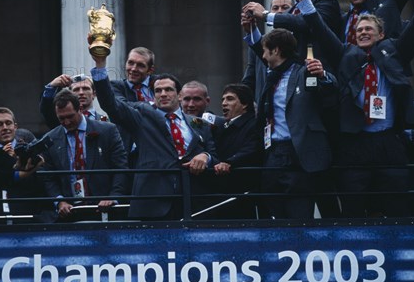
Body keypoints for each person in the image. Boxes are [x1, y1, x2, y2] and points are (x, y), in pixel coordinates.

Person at [296, 0, 414, 217]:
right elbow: (319, 28)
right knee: (354, 210)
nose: (362, 32)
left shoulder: (394, 51)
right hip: (355, 143)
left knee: (396, 209)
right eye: (359, 30)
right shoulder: (346, 55)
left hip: (389, 143)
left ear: (381, 34)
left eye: (368, 29)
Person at [91, 53, 217, 220]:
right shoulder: (142, 117)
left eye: (168, 90)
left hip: (193, 203)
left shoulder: (198, 123)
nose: (163, 94)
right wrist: (100, 64)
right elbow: (111, 104)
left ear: (179, 95)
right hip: (153, 203)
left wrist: (205, 156)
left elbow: (214, 156)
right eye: (158, 91)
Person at [257, 28, 337, 219]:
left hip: (299, 152)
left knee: (299, 212)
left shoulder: (304, 72)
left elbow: (330, 88)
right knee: (273, 211)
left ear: (275, 50)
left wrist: (323, 74)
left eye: (265, 50)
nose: (263, 56)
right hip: (273, 152)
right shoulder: (270, 77)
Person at [40, 89, 128, 221]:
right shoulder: (50, 139)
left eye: (70, 116)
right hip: (70, 211)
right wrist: (59, 201)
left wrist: (113, 197)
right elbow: (49, 177)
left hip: (105, 209)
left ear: (80, 108)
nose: (67, 122)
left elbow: (121, 167)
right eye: (61, 118)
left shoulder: (107, 131)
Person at [242, 0, 342, 66]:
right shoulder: (290, 13)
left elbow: (307, 22)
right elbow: (275, 56)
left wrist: (266, 15)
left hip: (319, 78)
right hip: (293, 79)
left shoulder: (327, 1)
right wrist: (252, 31)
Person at [0, 107, 49, 222]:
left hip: (27, 212)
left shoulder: (29, 146)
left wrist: (18, 159)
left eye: (8, 123)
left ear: (15, 126)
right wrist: (3, 160)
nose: (5, 128)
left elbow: (42, 178)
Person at [208, 83, 260, 219]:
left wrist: (229, 162)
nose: (224, 103)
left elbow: (253, 147)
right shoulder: (222, 127)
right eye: (223, 99)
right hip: (224, 190)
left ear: (245, 104)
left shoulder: (255, 124)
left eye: (230, 99)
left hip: (245, 189)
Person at [242, 0, 294, 107]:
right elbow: (249, 80)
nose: (279, 11)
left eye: (285, 7)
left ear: (294, 12)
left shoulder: (301, 41)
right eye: (275, 8)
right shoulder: (259, 42)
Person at [40, 73, 106, 129]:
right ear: (70, 94)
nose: (81, 92)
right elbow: (46, 110)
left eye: (85, 88)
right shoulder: (62, 121)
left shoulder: (104, 121)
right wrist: (51, 86)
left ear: (94, 94)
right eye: (76, 89)